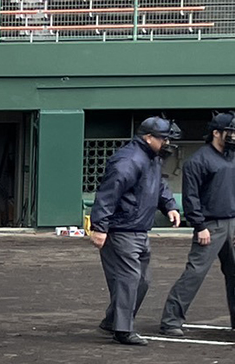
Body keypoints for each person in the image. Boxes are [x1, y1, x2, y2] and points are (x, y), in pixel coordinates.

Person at [89, 116, 182, 347]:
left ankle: (112, 322)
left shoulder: (152, 158)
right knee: (129, 278)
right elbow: (108, 194)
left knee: (142, 280)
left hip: (139, 228)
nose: (167, 143)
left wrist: (169, 205)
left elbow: (159, 185)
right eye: (163, 138)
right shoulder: (128, 160)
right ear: (148, 137)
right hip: (121, 229)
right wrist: (99, 228)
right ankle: (122, 329)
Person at [159, 111, 235, 337]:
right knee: (195, 273)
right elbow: (191, 197)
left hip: (233, 223)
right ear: (216, 133)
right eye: (230, 132)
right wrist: (199, 226)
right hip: (210, 226)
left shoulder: (232, 157)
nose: (233, 136)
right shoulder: (199, 160)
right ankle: (171, 320)